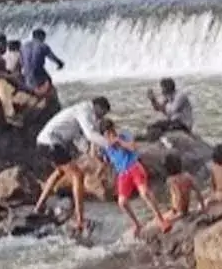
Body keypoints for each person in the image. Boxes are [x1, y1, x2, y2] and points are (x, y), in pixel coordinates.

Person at [32, 97, 112, 235]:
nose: (101, 117)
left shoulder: (79, 110)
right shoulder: (85, 110)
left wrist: (92, 153)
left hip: (46, 141)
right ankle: (80, 219)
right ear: (97, 107)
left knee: (59, 172)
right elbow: (90, 134)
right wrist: (110, 145)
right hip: (51, 142)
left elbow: (79, 139)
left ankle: (38, 207)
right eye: (102, 113)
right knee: (77, 175)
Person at [98, 119, 170, 236]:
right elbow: (105, 160)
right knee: (122, 202)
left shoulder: (124, 136)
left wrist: (119, 141)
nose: (110, 135)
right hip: (123, 173)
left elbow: (132, 148)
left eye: (111, 131)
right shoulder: (106, 147)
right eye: (107, 134)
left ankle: (160, 219)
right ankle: (136, 224)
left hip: (134, 167)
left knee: (144, 192)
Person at [20, 29, 64, 97]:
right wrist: (60, 63)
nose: (44, 39)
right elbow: (52, 57)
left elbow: (21, 61)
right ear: (41, 36)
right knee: (48, 81)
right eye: (44, 37)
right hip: (38, 71)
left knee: (30, 87)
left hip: (26, 72)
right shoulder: (43, 45)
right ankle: (52, 102)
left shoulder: (24, 46)